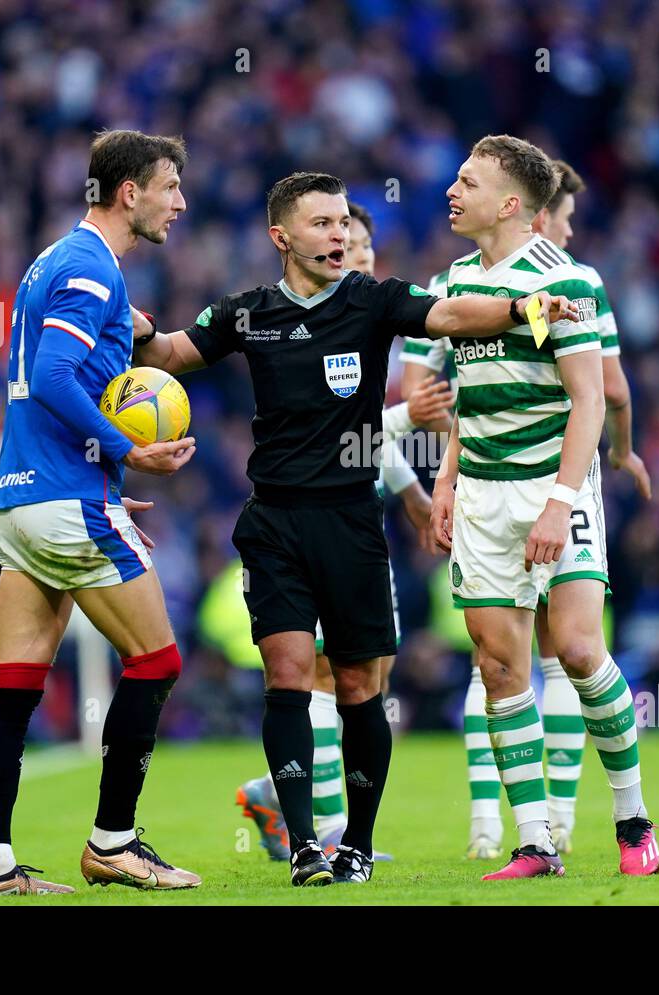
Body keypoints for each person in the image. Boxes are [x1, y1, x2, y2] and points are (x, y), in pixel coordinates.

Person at [132, 170, 578, 886]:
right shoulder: (247, 312)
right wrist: (140, 329)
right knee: (286, 673)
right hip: (275, 522)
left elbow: (454, 315)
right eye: (323, 224)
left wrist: (524, 306)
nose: (340, 235)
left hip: (351, 521)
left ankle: (358, 844)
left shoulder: (373, 302)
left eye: (344, 223)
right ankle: (306, 841)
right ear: (282, 237)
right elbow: (172, 356)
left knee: (359, 686)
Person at [0, 129, 200, 897]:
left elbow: (57, 366)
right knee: (157, 660)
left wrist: (99, 471)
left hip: (20, 499)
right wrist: (121, 449)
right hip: (64, 497)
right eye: (170, 186)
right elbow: (59, 378)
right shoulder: (91, 269)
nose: (181, 202)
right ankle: (114, 841)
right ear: (129, 191)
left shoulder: (54, 261)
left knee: (14, 682)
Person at [403, 158, 652, 858]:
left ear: (511, 202)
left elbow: (590, 400)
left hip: (553, 487)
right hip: (481, 493)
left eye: (468, 183)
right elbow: (467, 397)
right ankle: (534, 842)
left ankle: (633, 820)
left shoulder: (563, 280)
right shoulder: (451, 282)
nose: (451, 191)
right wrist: (447, 481)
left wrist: (558, 503)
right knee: (498, 666)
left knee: (575, 649)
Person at [235, 201, 451, 863]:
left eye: (361, 248)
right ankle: (326, 826)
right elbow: (343, 436)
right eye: (341, 245)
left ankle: (278, 790)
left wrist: (411, 492)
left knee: (369, 677)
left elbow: (367, 442)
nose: (353, 258)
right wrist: (409, 421)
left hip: (361, 517)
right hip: (310, 522)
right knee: (327, 675)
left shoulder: (369, 312)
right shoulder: (305, 323)